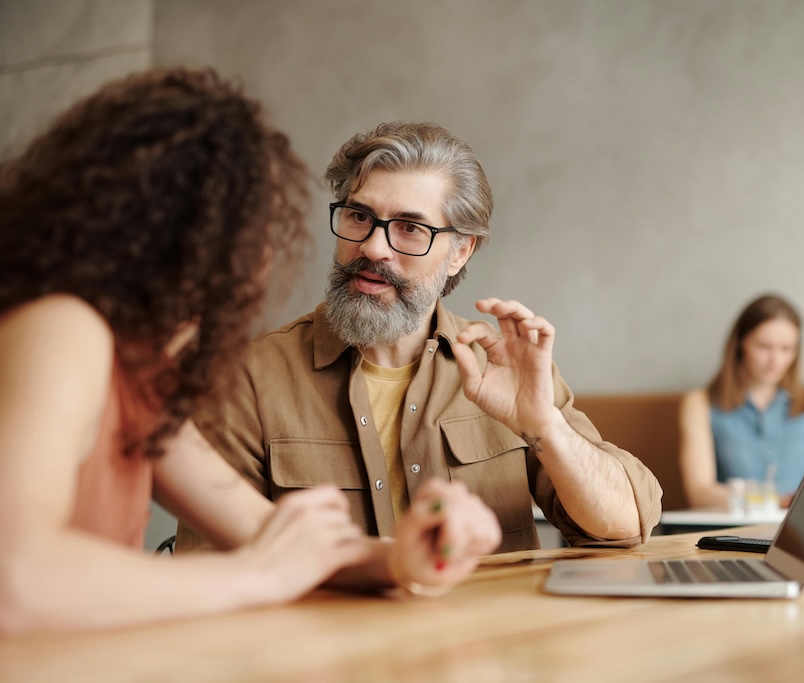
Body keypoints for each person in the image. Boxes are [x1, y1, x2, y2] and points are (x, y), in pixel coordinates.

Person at [0, 69, 500, 635]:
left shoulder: (143, 372)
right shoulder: (63, 327)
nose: (262, 253)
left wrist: (399, 558)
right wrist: (258, 576)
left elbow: (265, 533)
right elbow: (13, 580)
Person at [177, 121, 662, 554]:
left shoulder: (506, 370)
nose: (372, 247)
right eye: (358, 216)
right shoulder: (248, 375)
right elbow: (211, 573)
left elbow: (623, 526)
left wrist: (545, 427)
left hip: (489, 648)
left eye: (410, 228)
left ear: (459, 252)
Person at [678, 294, 804, 509]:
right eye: (764, 347)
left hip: (800, 531)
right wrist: (776, 501)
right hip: (731, 531)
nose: (776, 360)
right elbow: (699, 493)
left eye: (786, 349)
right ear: (740, 344)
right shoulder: (700, 403)